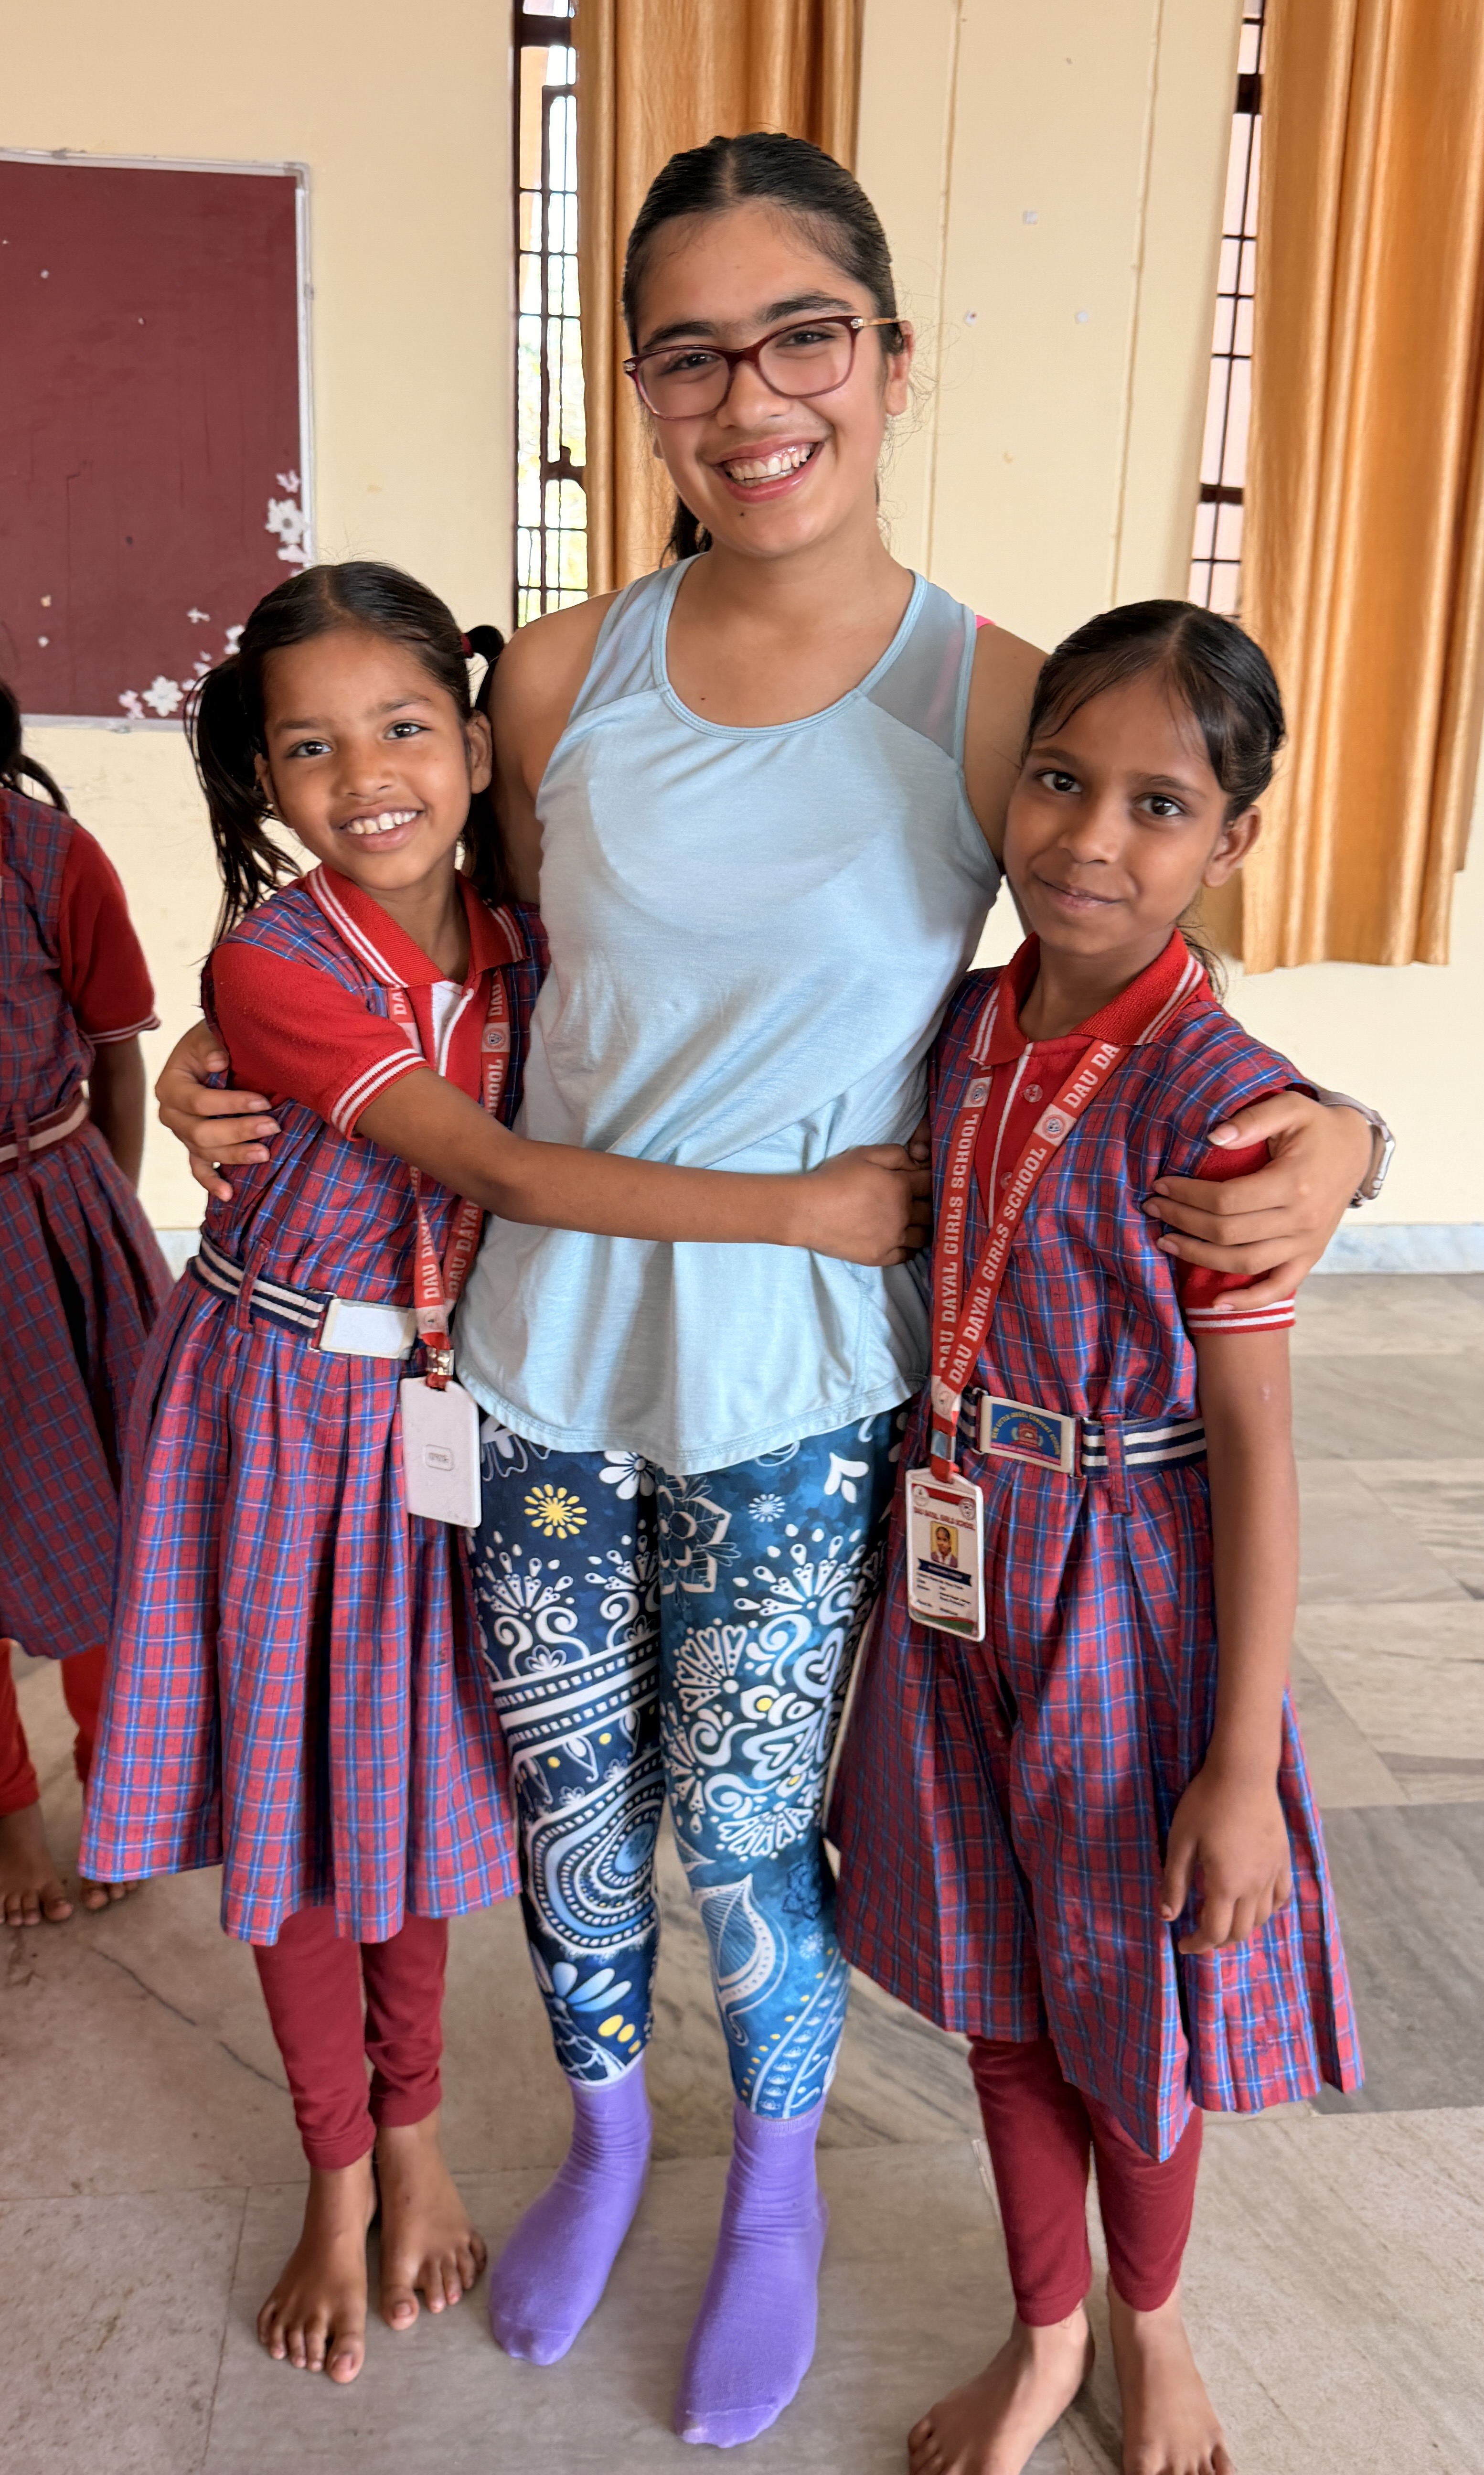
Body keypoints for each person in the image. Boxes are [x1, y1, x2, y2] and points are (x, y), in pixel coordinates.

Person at [156, 135, 1381, 2449]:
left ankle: (778, 2189)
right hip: (528, 1368)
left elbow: (1124, 964)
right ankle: (609, 2145)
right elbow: (438, 945)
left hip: (813, 1395)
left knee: (741, 1831)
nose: (753, 397)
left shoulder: (992, 688)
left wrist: (1346, 1133)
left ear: (889, 362)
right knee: (572, 1820)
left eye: (799, 336)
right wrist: (233, 1055)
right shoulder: (555, 676)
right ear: (640, 391)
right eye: (690, 355)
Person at [81, 559, 921, 2393]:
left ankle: (448, 2147)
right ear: (260, 787)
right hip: (284, 1423)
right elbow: (500, 1170)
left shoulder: (539, 939)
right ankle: (344, 2175)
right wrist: (812, 1212)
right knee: (298, 1829)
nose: (365, 774)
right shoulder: (276, 964)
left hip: (452, 1424)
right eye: (309, 749)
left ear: (479, 741)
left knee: (415, 1813)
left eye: (402, 727)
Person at [832, 601, 1363, 2475]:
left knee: (1126, 2000)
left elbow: (1254, 1444)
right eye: (1061, 781)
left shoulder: (1227, 1110)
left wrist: (1234, 1763)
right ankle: (1044, 2331)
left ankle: (1151, 2325)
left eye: (1159, 805)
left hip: (1127, 1606)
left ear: (1233, 840)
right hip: (952, 1568)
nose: (1089, 839)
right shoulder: (967, 1026)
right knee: (994, 1976)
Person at [0, 679, 170, 1928]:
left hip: (53, 1214)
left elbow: (116, 1049)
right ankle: (11, 1819)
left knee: (105, 1522)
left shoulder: (51, 859)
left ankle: (117, 1781)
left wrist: (97, 1210)